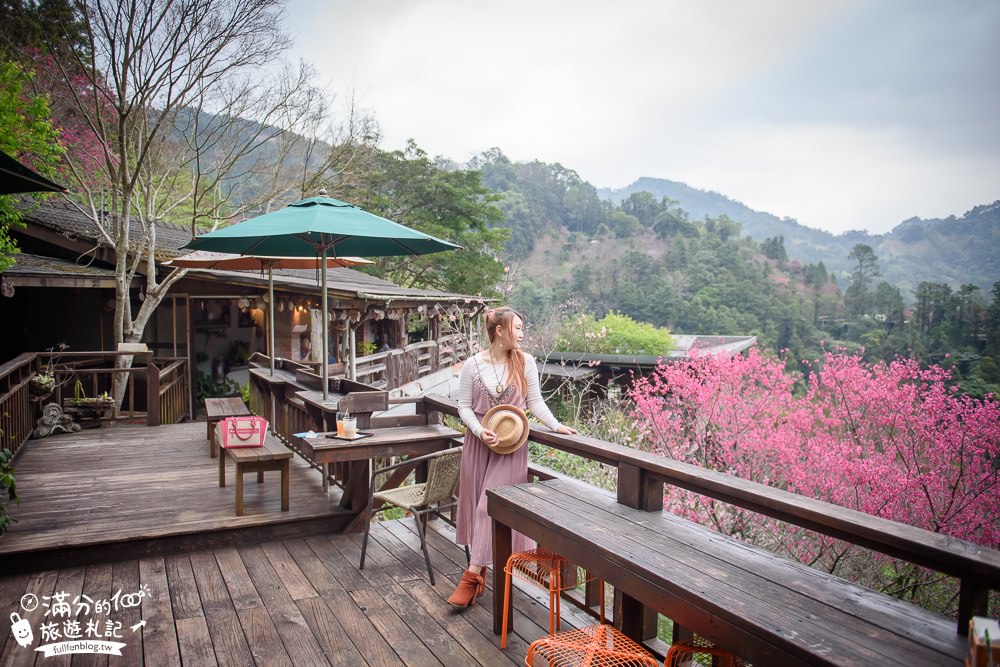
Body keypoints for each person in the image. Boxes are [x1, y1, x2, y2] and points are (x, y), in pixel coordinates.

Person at [448, 306, 577, 607]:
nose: (522, 333)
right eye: (517, 327)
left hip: (511, 446)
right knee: (481, 506)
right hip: (479, 443)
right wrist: (480, 430)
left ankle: (471, 576)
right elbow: (463, 406)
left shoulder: (525, 362)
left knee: (487, 508)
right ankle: (480, 577)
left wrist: (557, 426)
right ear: (500, 330)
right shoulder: (472, 365)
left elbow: (534, 401)